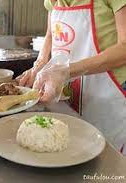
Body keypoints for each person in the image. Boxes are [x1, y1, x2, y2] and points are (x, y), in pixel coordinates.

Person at [17, 0, 126, 155]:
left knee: (105, 161)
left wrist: (67, 70)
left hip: (108, 92)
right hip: (68, 92)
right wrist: (38, 65)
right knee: (70, 152)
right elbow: (51, 35)